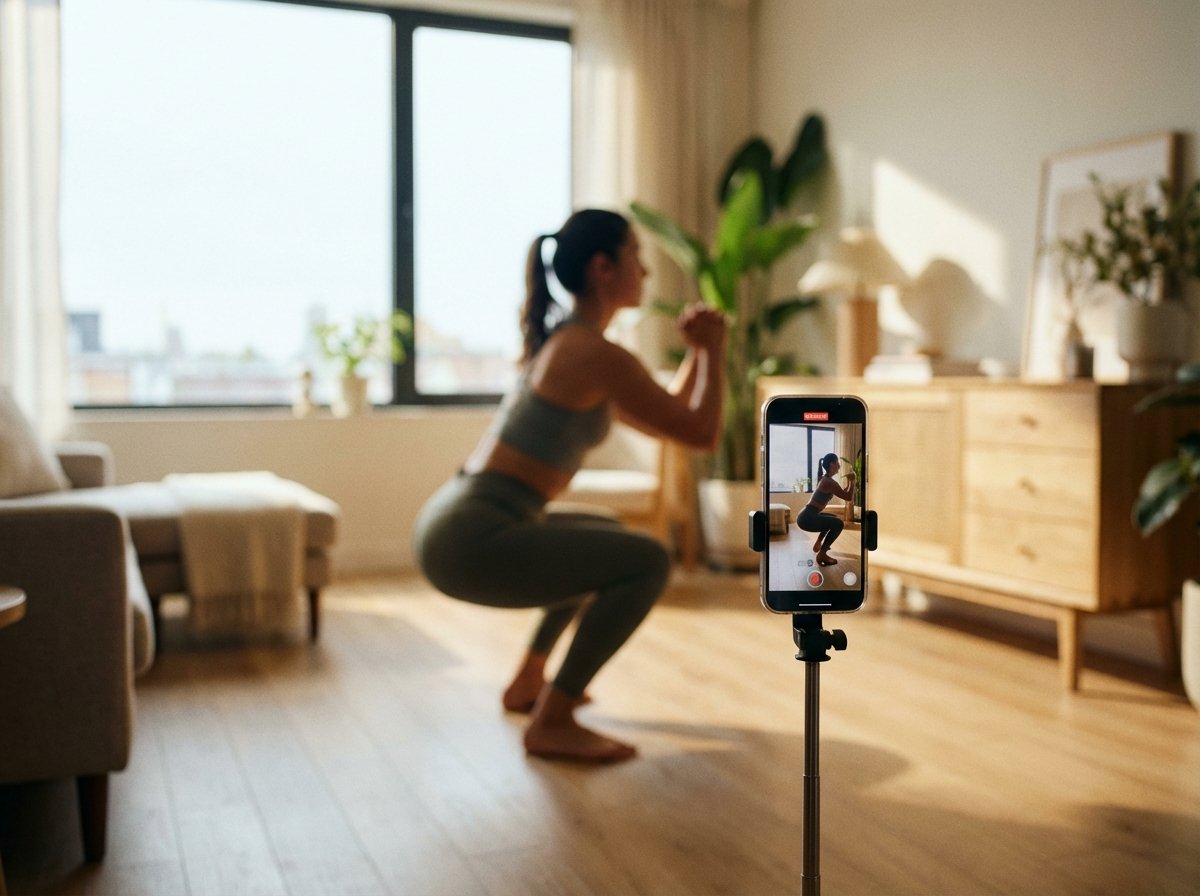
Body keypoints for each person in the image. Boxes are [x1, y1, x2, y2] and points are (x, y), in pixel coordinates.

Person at [412, 209, 727, 763]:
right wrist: (714, 351)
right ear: (604, 267)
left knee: (603, 535)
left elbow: (670, 416)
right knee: (648, 560)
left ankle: (530, 684)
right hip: (472, 537)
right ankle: (552, 721)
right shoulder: (592, 354)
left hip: (462, 522)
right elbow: (700, 431)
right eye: (636, 256)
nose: (647, 272)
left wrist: (701, 354)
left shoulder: (577, 346)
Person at [796, 453, 856, 567]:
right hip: (807, 518)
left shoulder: (826, 479)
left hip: (806, 516)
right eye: (837, 462)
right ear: (831, 464)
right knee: (838, 524)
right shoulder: (829, 482)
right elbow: (848, 497)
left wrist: (849, 482)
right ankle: (822, 554)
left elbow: (843, 493)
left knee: (832, 519)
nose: (839, 465)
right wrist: (853, 481)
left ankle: (819, 543)